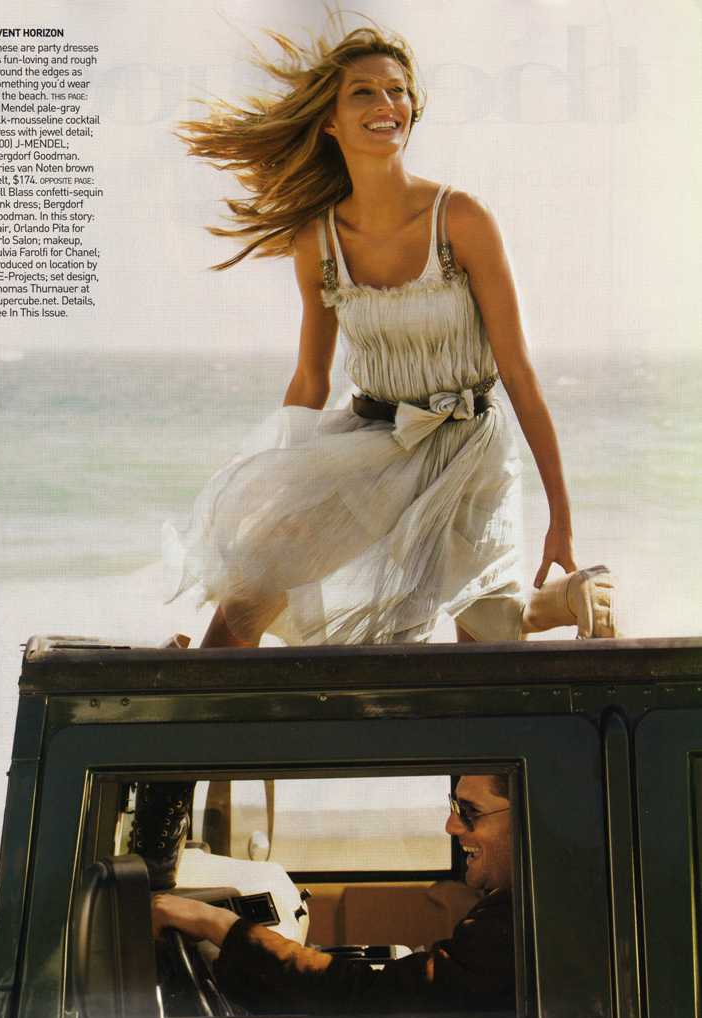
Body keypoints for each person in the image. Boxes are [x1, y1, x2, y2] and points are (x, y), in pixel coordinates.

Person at [162, 20, 616, 651]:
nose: (386, 104)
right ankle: (188, 697)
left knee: (485, 643)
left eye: (397, 90)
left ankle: (569, 597)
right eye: (363, 93)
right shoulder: (318, 241)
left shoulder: (461, 219)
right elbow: (311, 377)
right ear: (330, 121)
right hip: (373, 442)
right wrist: (279, 482)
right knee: (254, 588)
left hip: (470, 446)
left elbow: (518, 371)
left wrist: (561, 517)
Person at [151, 774, 515, 1015]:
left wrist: (219, 925)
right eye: (455, 808)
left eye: (470, 812)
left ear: (525, 815)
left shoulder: (516, 923)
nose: (451, 825)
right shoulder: (515, 907)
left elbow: (372, 1001)